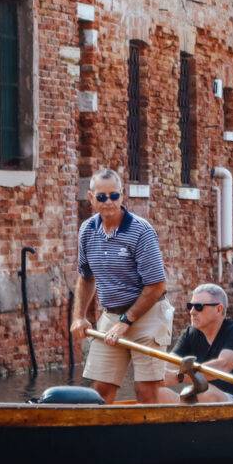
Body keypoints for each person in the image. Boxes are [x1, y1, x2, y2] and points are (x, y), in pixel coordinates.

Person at [71, 167, 173, 403]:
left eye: (114, 195)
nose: (109, 202)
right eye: (102, 197)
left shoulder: (141, 231)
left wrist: (126, 321)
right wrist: (79, 316)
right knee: (100, 390)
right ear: (91, 198)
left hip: (148, 314)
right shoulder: (87, 230)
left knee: (145, 391)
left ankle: (150, 439)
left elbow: (157, 286)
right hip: (112, 314)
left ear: (122, 195)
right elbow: (86, 277)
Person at [153, 283, 233, 403]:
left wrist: (179, 377)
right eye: (190, 306)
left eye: (198, 307)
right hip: (203, 396)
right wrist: (157, 376)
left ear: (219, 309)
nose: (192, 312)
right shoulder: (191, 333)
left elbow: (222, 366)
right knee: (152, 392)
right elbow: (171, 363)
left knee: (206, 393)